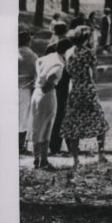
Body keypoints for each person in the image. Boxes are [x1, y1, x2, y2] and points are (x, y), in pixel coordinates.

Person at [61, 26, 109, 168]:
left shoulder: (68, 52)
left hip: (74, 89)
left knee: (74, 123)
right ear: (86, 38)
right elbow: (94, 75)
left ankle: (75, 159)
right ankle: (101, 154)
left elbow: (69, 71)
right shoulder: (89, 53)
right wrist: (100, 71)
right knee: (99, 121)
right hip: (87, 89)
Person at [30, 38, 72, 170]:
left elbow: (38, 62)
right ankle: (43, 160)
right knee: (46, 126)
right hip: (46, 94)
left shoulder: (48, 57)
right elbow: (52, 79)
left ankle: (36, 158)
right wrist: (48, 84)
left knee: (36, 125)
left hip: (36, 92)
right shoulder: (59, 64)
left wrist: (39, 79)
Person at [18, 29, 38, 155]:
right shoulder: (33, 56)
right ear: (29, 41)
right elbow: (37, 76)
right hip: (25, 89)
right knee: (23, 118)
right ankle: (20, 145)